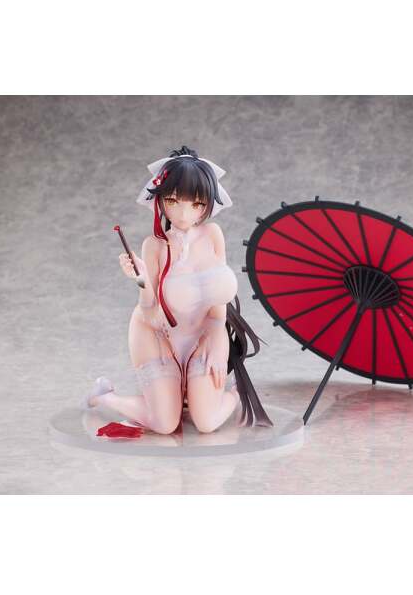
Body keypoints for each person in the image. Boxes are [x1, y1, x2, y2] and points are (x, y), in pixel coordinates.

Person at [86, 146, 273, 434]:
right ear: (160, 200)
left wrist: (215, 342)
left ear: (207, 204)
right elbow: (150, 311)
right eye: (173, 201)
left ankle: (235, 392)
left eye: (196, 204)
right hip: (155, 335)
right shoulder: (154, 246)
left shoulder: (213, 235)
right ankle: (104, 396)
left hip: (204, 332)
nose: (184, 214)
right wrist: (141, 279)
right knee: (165, 424)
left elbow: (218, 308)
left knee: (206, 422)